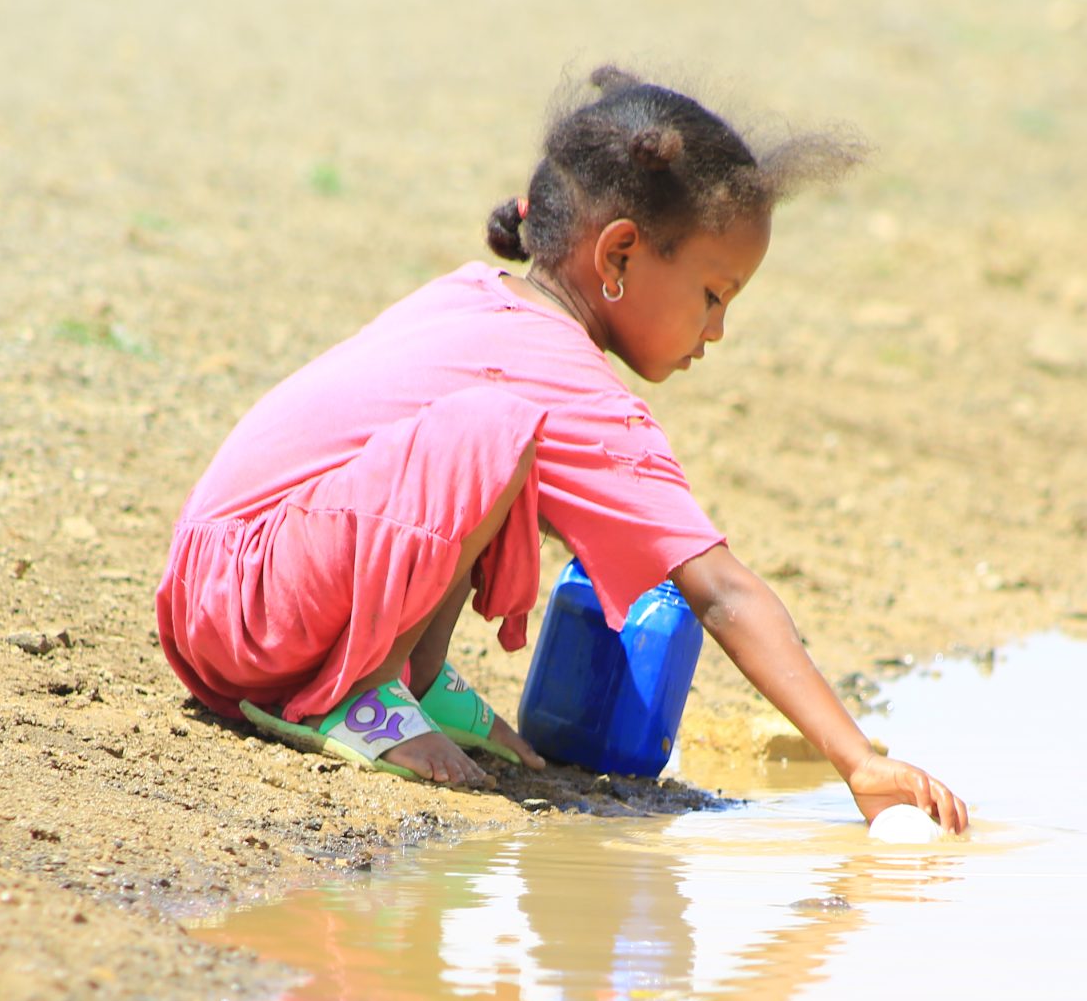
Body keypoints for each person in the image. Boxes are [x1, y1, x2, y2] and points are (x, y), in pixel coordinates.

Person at [154, 67, 970, 834]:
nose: (717, 330)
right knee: (496, 430)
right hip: (252, 614)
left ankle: (413, 678)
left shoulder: (480, 297)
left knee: (496, 437)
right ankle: (360, 694)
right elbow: (719, 590)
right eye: (713, 296)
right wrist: (858, 761)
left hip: (214, 589)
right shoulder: (558, 379)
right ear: (617, 255)